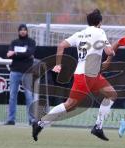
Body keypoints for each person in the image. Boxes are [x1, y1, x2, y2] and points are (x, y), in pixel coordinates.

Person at [32, 9, 117, 141]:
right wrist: (112, 51)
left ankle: (98, 127)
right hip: (86, 75)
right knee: (70, 105)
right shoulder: (100, 32)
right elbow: (108, 51)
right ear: (100, 22)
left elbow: (61, 45)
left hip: (91, 75)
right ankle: (40, 123)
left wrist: (58, 64)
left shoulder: (80, 34)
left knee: (112, 94)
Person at [4, 24, 36, 125]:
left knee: (29, 96)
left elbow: (29, 53)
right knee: (12, 96)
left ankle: (32, 120)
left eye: (24, 30)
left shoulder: (31, 42)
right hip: (15, 72)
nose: (23, 31)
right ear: (18, 31)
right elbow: (9, 55)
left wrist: (16, 53)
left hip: (28, 72)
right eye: (21, 30)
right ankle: (11, 119)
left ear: (27, 31)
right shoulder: (14, 42)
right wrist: (22, 54)